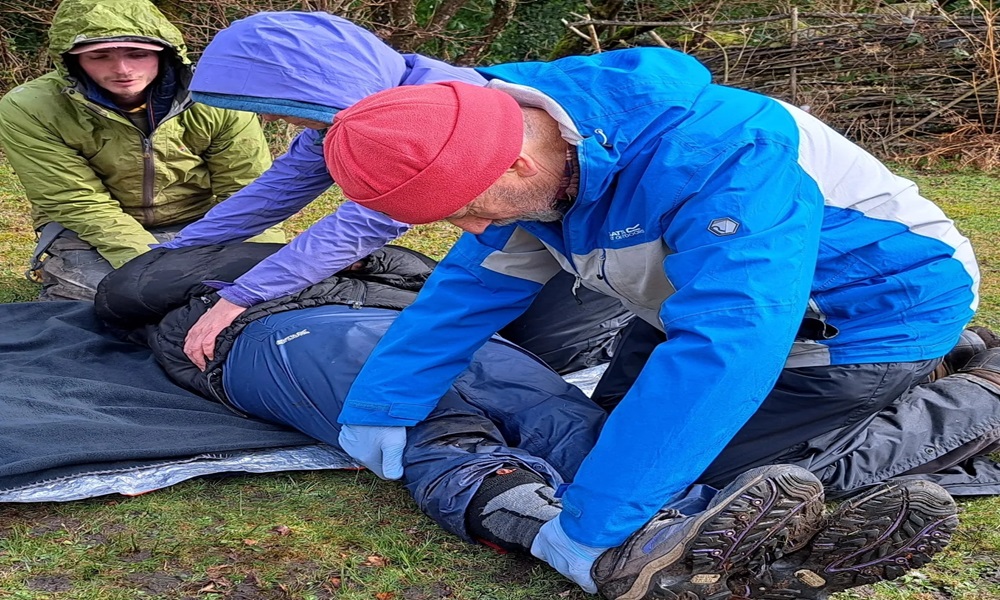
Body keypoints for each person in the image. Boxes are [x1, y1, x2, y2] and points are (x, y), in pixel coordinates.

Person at [318, 51, 1000, 597]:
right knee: (605, 445)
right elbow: (473, 284)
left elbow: (730, 342)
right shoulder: (517, 151)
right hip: (688, 294)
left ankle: (978, 397)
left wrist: (596, 524)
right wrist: (385, 400)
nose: (471, 229)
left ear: (519, 161)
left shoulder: (723, 156)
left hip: (870, 311)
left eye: (471, 208)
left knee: (718, 474)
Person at [96, 241, 975, 600]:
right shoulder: (214, 289)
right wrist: (251, 279)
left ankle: (738, 543)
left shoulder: (388, 264)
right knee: (437, 438)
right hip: (281, 342)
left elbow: (482, 279)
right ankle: (615, 563)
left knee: (570, 423)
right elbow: (130, 289)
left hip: (437, 336)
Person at [154, 11, 632, 375]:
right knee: (497, 333)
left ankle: (630, 327)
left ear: (319, 88)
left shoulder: (430, 117)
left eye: (276, 107)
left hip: (612, 215)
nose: (274, 121)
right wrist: (180, 248)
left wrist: (243, 296)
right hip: (526, 220)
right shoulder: (344, 118)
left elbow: (364, 222)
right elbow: (274, 193)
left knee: (552, 353)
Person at [0, 0, 284, 302]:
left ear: (166, 53)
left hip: (199, 223)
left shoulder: (216, 98)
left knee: (256, 288)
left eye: (137, 54)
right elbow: (77, 201)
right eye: (99, 56)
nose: (122, 69)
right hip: (90, 232)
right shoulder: (29, 108)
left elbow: (249, 191)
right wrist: (154, 269)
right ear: (71, 60)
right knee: (110, 297)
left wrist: (262, 266)